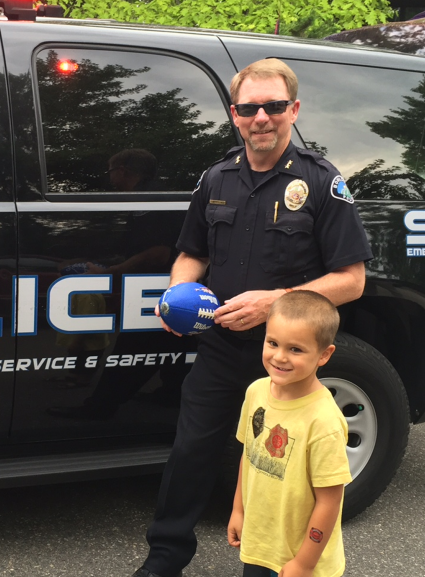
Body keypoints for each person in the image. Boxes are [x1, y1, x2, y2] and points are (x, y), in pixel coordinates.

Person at [133, 58, 373, 577]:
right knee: (191, 450)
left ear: (294, 109)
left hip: (287, 355)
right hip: (222, 345)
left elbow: (351, 279)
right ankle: (164, 559)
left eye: (273, 106)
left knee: (285, 464)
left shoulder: (321, 182)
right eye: (249, 108)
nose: (261, 117)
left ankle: (289, 562)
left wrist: (275, 301)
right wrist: (177, 290)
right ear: (234, 114)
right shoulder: (216, 177)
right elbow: (190, 252)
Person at [227, 290, 350, 577]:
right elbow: (249, 455)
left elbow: (330, 500)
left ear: (324, 355)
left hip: (300, 558)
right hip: (260, 546)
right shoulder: (256, 392)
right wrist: (239, 510)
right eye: (272, 343)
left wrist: (304, 564)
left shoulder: (323, 421)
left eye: (295, 349)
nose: (279, 357)